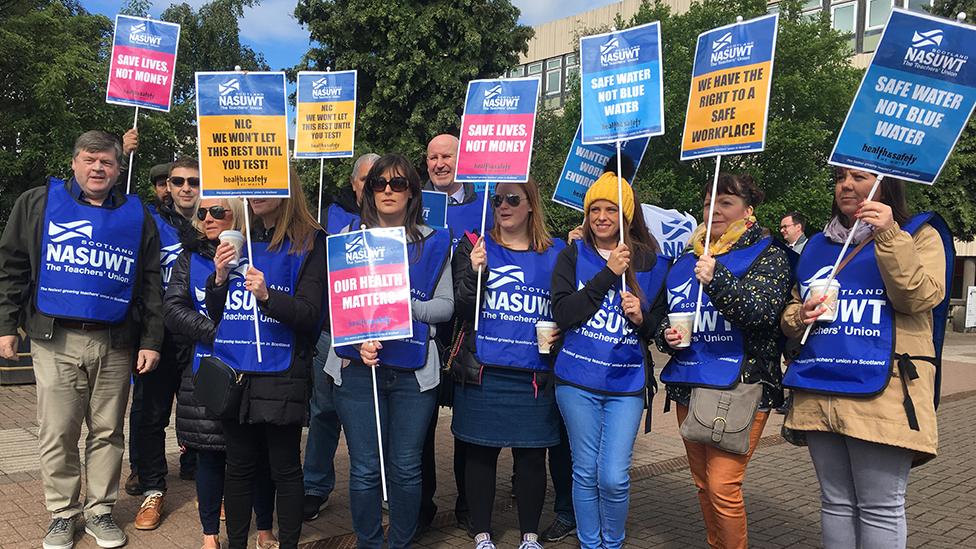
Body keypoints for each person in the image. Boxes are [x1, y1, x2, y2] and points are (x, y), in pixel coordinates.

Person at [0, 130, 163, 549]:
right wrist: (5, 325)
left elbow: (149, 281)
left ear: (118, 167)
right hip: (55, 338)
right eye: (90, 160)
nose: (97, 168)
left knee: (108, 431)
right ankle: (62, 513)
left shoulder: (136, 213)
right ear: (74, 163)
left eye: (106, 162)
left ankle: (100, 511)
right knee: (57, 431)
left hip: (116, 340)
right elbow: (12, 266)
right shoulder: (37, 203)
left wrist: (151, 339)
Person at [780, 168, 953, 549]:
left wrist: (889, 234)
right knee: (836, 503)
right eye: (841, 177)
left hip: (884, 390)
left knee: (880, 507)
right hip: (820, 387)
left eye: (858, 177)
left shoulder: (919, 235)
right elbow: (791, 314)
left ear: (886, 184)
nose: (846, 185)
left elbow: (918, 298)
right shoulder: (817, 245)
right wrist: (799, 314)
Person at [657, 173, 790, 549]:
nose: (713, 210)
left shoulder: (769, 254)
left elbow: (762, 312)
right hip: (690, 382)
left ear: (748, 211)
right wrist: (665, 333)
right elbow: (666, 314)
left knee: (722, 485)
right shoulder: (688, 257)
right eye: (707, 203)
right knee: (702, 484)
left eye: (726, 202)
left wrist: (716, 280)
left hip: (742, 385)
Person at [328, 153, 454, 548]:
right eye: (379, 183)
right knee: (365, 469)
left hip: (413, 373)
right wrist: (353, 341)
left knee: (405, 467)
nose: (387, 190)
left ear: (412, 192)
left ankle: (400, 543)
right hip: (357, 371)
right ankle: (368, 543)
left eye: (397, 184)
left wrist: (402, 305)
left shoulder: (434, 242)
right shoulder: (347, 240)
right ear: (367, 190)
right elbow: (331, 309)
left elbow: (445, 307)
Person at [205, 170, 326, 549]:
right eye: (249, 187)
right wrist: (220, 277)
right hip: (237, 371)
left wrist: (268, 296)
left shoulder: (311, 242)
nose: (255, 194)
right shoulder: (240, 238)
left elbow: (310, 315)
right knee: (238, 468)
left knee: (284, 467)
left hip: (282, 372)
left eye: (264, 184)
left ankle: (288, 542)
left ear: (286, 187)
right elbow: (215, 313)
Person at [550, 172, 668, 549]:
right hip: (576, 381)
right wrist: (607, 274)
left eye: (611, 209)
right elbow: (565, 313)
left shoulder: (652, 263)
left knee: (614, 475)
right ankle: (590, 543)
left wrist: (642, 318)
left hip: (626, 383)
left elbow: (660, 329)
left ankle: (612, 543)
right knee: (585, 471)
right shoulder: (571, 255)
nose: (602, 217)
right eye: (595, 209)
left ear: (627, 216)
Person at [451, 178, 564, 549]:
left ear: (531, 204)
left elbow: (569, 308)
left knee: (532, 457)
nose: (503, 205)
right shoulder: (475, 247)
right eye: (498, 198)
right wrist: (472, 271)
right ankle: (483, 533)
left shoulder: (558, 252)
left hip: (533, 375)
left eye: (513, 198)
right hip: (484, 371)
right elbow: (462, 310)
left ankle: (529, 534)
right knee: (480, 454)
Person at [164, 196, 281, 549]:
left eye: (218, 211)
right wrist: (219, 335)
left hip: (256, 370)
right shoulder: (190, 257)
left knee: (258, 456)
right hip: (208, 371)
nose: (208, 218)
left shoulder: (260, 254)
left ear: (238, 215)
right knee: (210, 455)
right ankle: (210, 536)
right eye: (202, 213)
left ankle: (264, 530)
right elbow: (173, 309)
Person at [418, 133, 493, 536]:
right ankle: (422, 503)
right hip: (426, 326)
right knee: (420, 423)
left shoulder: (485, 205)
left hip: (467, 328)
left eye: (447, 155)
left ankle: (469, 503)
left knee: (467, 423)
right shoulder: (415, 203)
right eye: (433, 157)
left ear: (461, 158)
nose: (440, 163)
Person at [133, 157, 202, 530]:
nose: (186, 188)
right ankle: (153, 489)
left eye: (194, 181)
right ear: (169, 186)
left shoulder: (218, 218)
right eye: (179, 182)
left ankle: (213, 486)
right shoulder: (151, 222)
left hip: (200, 335)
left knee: (206, 417)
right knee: (152, 416)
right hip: (159, 335)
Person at [320, 152, 377, 234]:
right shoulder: (330, 215)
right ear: (353, 182)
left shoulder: (396, 215)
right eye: (364, 179)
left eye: (376, 180)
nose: (369, 185)